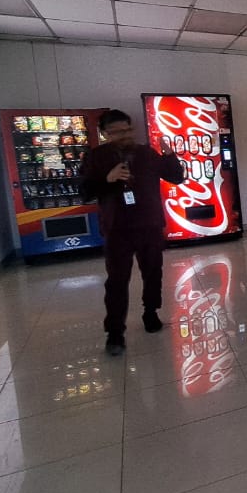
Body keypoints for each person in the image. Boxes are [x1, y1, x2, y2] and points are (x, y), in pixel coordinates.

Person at [79, 109, 185, 356]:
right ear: (104, 134)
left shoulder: (146, 153)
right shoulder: (96, 157)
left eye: (127, 130)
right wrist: (108, 178)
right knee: (116, 281)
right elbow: (84, 192)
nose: (123, 135)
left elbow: (176, 178)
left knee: (153, 273)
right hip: (117, 228)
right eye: (116, 132)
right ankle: (115, 332)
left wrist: (170, 155)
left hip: (149, 224)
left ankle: (151, 312)